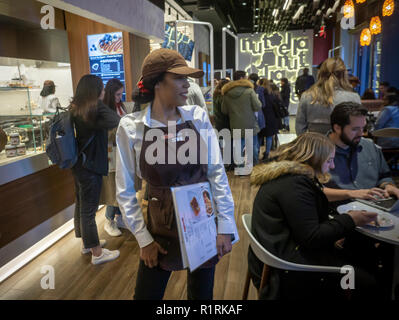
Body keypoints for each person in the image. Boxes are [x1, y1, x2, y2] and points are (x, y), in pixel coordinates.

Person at [115, 48, 237, 300]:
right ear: (157, 82)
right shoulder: (132, 127)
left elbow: (216, 173)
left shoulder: (198, 117)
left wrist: (225, 224)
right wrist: (143, 239)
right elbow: (125, 189)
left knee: (202, 297)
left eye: (188, 79)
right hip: (160, 228)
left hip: (203, 221)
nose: (187, 85)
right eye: (180, 78)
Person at [248, 132, 380, 300]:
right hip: (289, 270)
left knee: (359, 250)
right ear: (314, 160)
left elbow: (309, 204)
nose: (332, 166)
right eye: (329, 161)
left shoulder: (287, 176)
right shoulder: (294, 185)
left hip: (277, 252)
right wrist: (350, 219)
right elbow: (312, 237)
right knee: (368, 283)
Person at [70, 74, 121, 265]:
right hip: (91, 165)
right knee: (88, 210)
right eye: (101, 89)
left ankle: (87, 243)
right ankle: (97, 253)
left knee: (82, 205)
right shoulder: (95, 108)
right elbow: (116, 120)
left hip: (79, 164)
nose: (103, 92)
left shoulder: (76, 108)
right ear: (96, 90)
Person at [295, 57, 361, 135]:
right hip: (343, 145)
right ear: (344, 75)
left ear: (320, 73)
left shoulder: (306, 96)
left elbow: (300, 129)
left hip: (315, 145)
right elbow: (357, 129)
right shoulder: (354, 98)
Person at [100, 78, 127, 237]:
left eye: (121, 94)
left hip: (122, 152)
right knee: (113, 190)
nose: (120, 97)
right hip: (111, 154)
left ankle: (120, 217)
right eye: (117, 94)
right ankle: (109, 220)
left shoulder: (119, 106)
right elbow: (106, 134)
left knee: (122, 188)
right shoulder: (104, 110)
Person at [221, 70, 262, 169]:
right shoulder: (249, 91)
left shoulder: (227, 93)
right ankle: (255, 168)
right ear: (241, 78)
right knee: (253, 148)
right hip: (250, 124)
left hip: (235, 125)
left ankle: (240, 168)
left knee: (238, 148)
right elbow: (257, 106)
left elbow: (224, 110)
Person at [258, 78, 280, 160]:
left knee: (259, 136)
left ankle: (257, 153)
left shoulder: (259, 94)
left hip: (261, 117)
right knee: (269, 137)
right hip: (271, 118)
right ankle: (267, 153)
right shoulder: (272, 94)